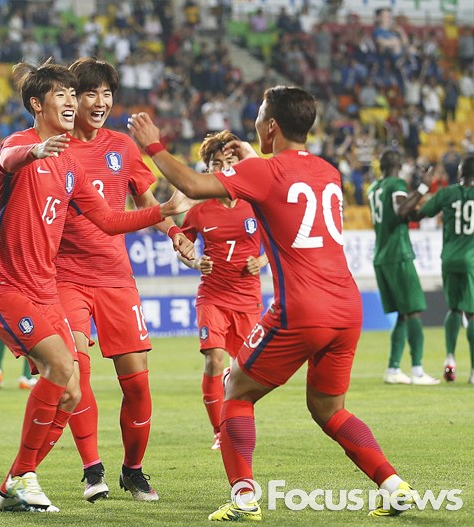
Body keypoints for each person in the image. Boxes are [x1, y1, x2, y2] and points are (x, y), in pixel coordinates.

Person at [127, 86, 417, 521]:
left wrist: (153, 145)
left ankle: (243, 496)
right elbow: (283, 182)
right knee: (329, 410)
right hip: (347, 307)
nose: (256, 123)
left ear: (271, 126)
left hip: (301, 308)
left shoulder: (263, 173)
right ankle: (393, 486)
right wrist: (254, 155)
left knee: (235, 390)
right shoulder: (328, 171)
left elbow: (191, 184)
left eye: (260, 116)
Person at [0, 59, 188, 514]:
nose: (74, 102)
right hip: (7, 284)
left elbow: (108, 219)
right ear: (37, 104)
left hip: (48, 287)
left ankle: (13, 483)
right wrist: (35, 152)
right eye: (64, 94)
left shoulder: (71, 163)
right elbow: (8, 159)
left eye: (76, 94)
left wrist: (164, 212)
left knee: (70, 389)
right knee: (62, 366)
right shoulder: (20, 145)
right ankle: (39, 476)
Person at [55, 57, 194, 504]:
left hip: (116, 278)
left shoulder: (121, 146)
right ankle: (91, 468)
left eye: (106, 94)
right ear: (71, 99)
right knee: (75, 370)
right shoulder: (53, 149)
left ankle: (133, 471)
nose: (100, 102)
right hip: (65, 277)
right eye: (90, 93)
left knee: (136, 383)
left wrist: (175, 234)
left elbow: (147, 201)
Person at [177, 130, 267, 451]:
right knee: (214, 360)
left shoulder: (256, 205)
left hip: (248, 299)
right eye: (216, 163)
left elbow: (278, 242)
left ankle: (233, 405)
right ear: (208, 170)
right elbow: (183, 247)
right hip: (212, 296)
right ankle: (220, 431)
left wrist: (261, 261)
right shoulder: (199, 210)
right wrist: (195, 262)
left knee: (245, 372)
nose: (224, 168)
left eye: (229, 161)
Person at [366, 150, 439, 386]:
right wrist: (423, 188)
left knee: (402, 313)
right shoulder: (396, 184)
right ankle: (417, 370)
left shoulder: (373, 188)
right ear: (398, 167)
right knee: (414, 311)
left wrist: (421, 208)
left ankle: (393, 368)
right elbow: (401, 209)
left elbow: (398, 215)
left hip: (381, 255)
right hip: (398, 253)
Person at [399, 155, 474, 383]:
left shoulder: (446, 194)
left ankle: (450, 359)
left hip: (449, 258)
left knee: (454, 309)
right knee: (472, 314)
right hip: (471, 259)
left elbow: (417, 215)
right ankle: (473, 371)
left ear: (459, 173)